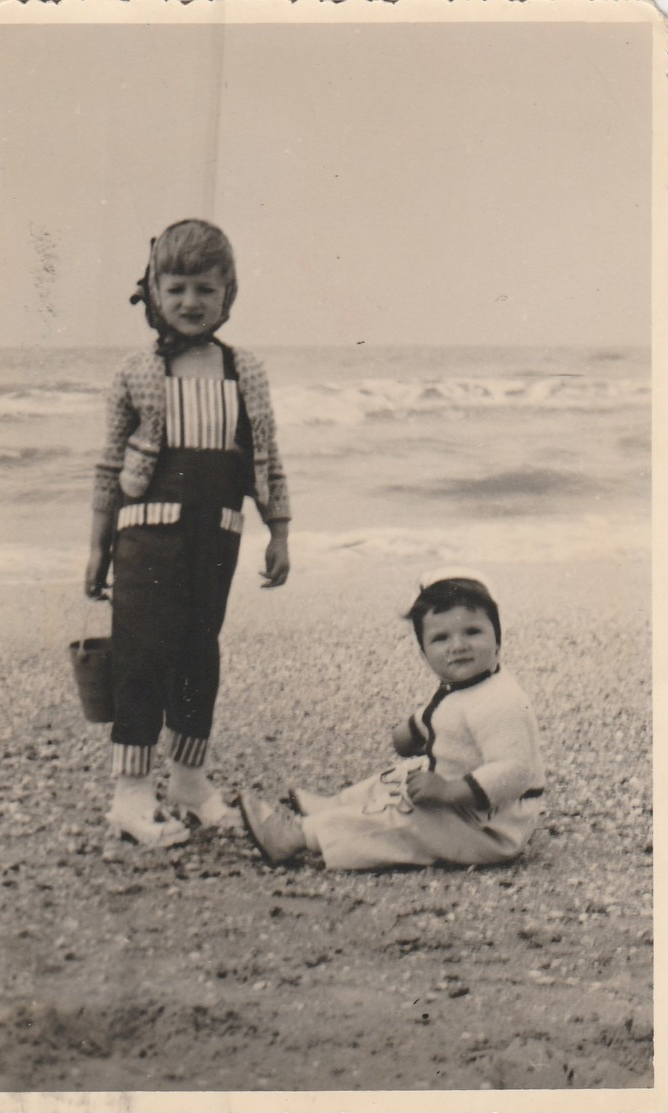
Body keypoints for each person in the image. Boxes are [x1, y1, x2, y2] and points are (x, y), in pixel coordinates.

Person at [85, 219, 290, 847]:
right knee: (142, 658)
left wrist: (278, 529)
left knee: (200, 654)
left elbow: (267, 457)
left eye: (205, 288)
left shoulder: (243, 370)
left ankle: (190, 783)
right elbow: (109, 464)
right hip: (145, 535)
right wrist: (97, 546)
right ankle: (131, 795)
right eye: (176, 289)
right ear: (152, 292)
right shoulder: (137, 372)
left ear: (228, 293)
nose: (190, 302)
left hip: (218, 533)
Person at [239, 568, 544, 870]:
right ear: (424, 654)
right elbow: (443, 715)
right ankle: (335, 807)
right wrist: (413, 731)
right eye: (441, 638)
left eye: (472, 632)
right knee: (406, 774)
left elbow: (514, 770)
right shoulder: (466, 685)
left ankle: (301, 836)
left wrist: (449, 791)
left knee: (404, 819)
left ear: (499, 639)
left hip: (488, 826)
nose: (458, 646)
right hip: (463, 799)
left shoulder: (501, 701)